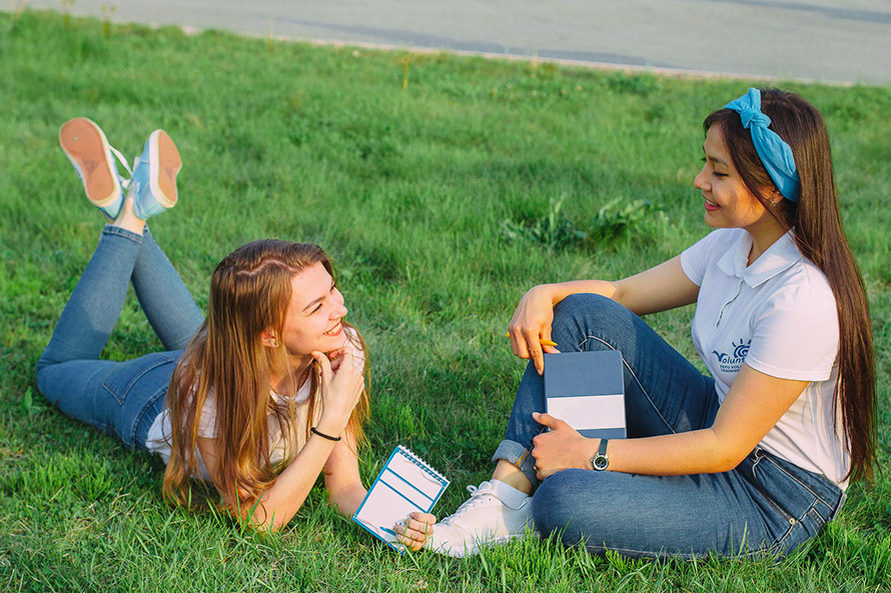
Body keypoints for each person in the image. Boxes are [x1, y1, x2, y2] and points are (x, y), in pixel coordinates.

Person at [426, 88, 876, 559]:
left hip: (769, 495)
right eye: (705, 162)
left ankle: (573, 473)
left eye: (718, 171)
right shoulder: (734, 243)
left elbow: (725, 447)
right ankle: (504, 502)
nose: (700, 180)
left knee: (564, 501)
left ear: (771, 187)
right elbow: (621, 294)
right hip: (714, 416)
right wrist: (545, 293)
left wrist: (593, 453)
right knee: (583, 313)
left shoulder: (802, 300)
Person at [36, 118, 435, 546]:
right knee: (54, 369)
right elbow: (259, 520)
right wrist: (331, 419)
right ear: (268, 334)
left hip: (228, 359)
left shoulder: (337, 346)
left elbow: (343, 485)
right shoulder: (210, 397)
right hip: (148, 397)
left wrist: (393, 519)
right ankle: (131, 216)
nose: (341, 309)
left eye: (332, 290)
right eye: (317, 306)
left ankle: (132, 207)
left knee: (216, 343)